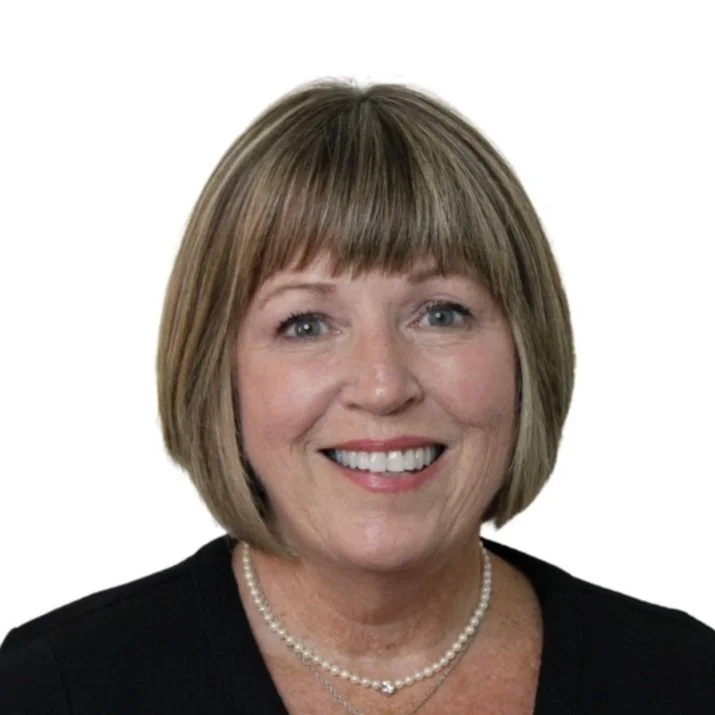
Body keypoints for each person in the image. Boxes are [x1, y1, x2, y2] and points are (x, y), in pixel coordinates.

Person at [1, 80, 713, 715]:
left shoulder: (685, 680)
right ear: (218, 370)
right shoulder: (55, 690)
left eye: (441, 314)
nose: (383, 385)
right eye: (306, 324)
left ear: (529, 352)